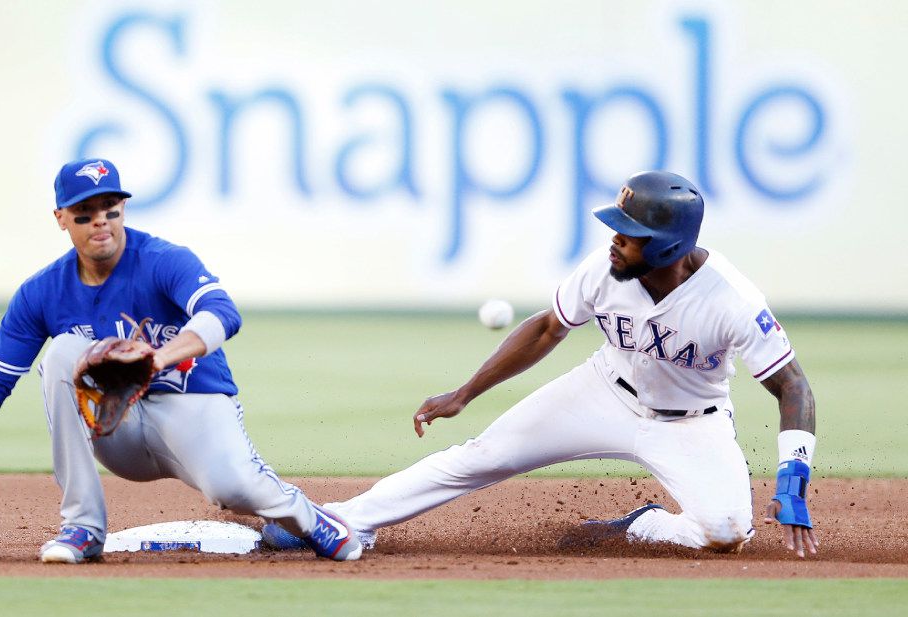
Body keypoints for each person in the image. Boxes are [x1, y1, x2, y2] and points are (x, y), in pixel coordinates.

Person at [263, 170, 819, 557]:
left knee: (726, 533)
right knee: (479, 458)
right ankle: (337, 520)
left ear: (670, 248)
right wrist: (466, 392)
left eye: (630, 235)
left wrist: (792, 482)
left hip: (690, 423)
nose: (614, 242)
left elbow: (793, 387)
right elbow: (549, 327)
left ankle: (642, 526)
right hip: (602, 393)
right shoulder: (606, 270)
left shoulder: (732, 301)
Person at [0, 158, 361, 563]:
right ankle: (82, 528)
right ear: (60, 219)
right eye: (84, 214)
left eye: (110, 208)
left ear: (123, 209)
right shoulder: (42, 292)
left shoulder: (162, 260)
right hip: (119, 427)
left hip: (193, 406)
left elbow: (223, 313)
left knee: (233, 488)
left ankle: (307, 518)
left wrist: (156, 359)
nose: (101, 222)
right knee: (62, 354)